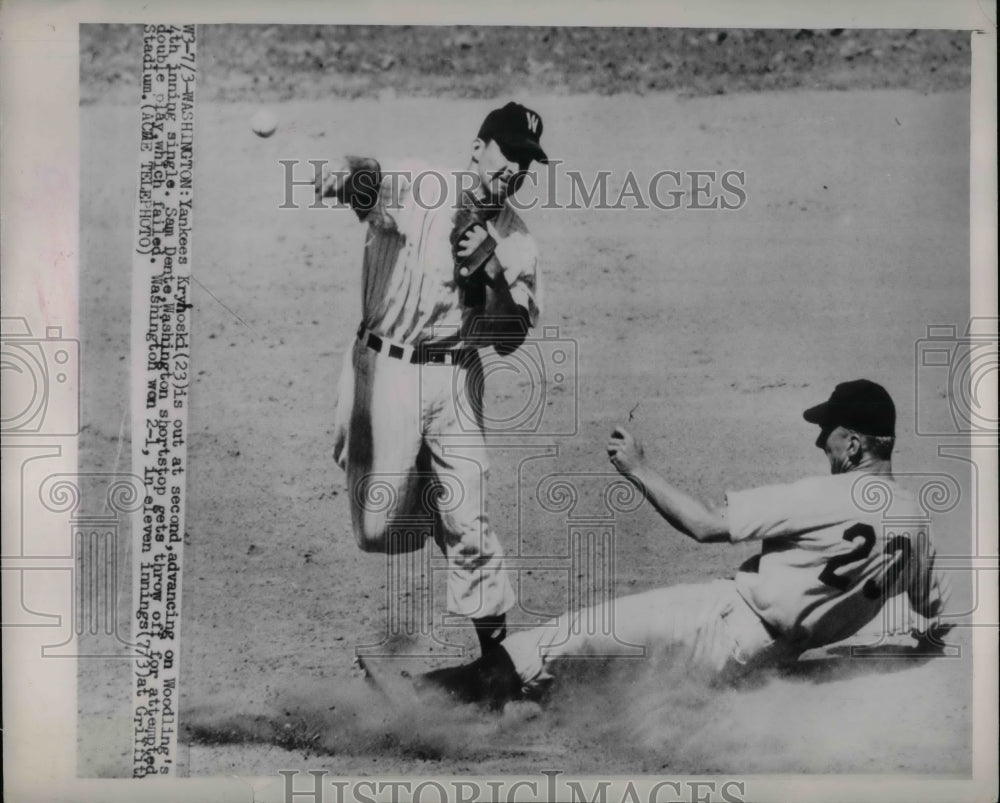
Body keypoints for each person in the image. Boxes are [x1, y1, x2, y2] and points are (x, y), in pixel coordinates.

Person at [414, 379, 953, 707]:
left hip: (717, 624)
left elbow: (705, 525)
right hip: (768, 663)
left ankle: (416, 704)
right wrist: (908, 655)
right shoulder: (915, 524)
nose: (819, 440)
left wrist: (638, 469)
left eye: (828, 431)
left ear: (854, 444)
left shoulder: (824, 496)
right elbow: (936, 619)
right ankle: (504, 711)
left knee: (548, 647)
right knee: (605, 686)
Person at [316, 102, 548, 655]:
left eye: (526, 161)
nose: (514, 168)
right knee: (378, 530)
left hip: (458, 379)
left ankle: (496, 662)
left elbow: (509, 339)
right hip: (386, 370)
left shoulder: (517, 240)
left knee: (470, 520)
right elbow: (369, 180)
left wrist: (493, 274)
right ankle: (431, 501)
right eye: (508, 153)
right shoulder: (422, 186)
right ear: (478, 149)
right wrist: (347, 175)